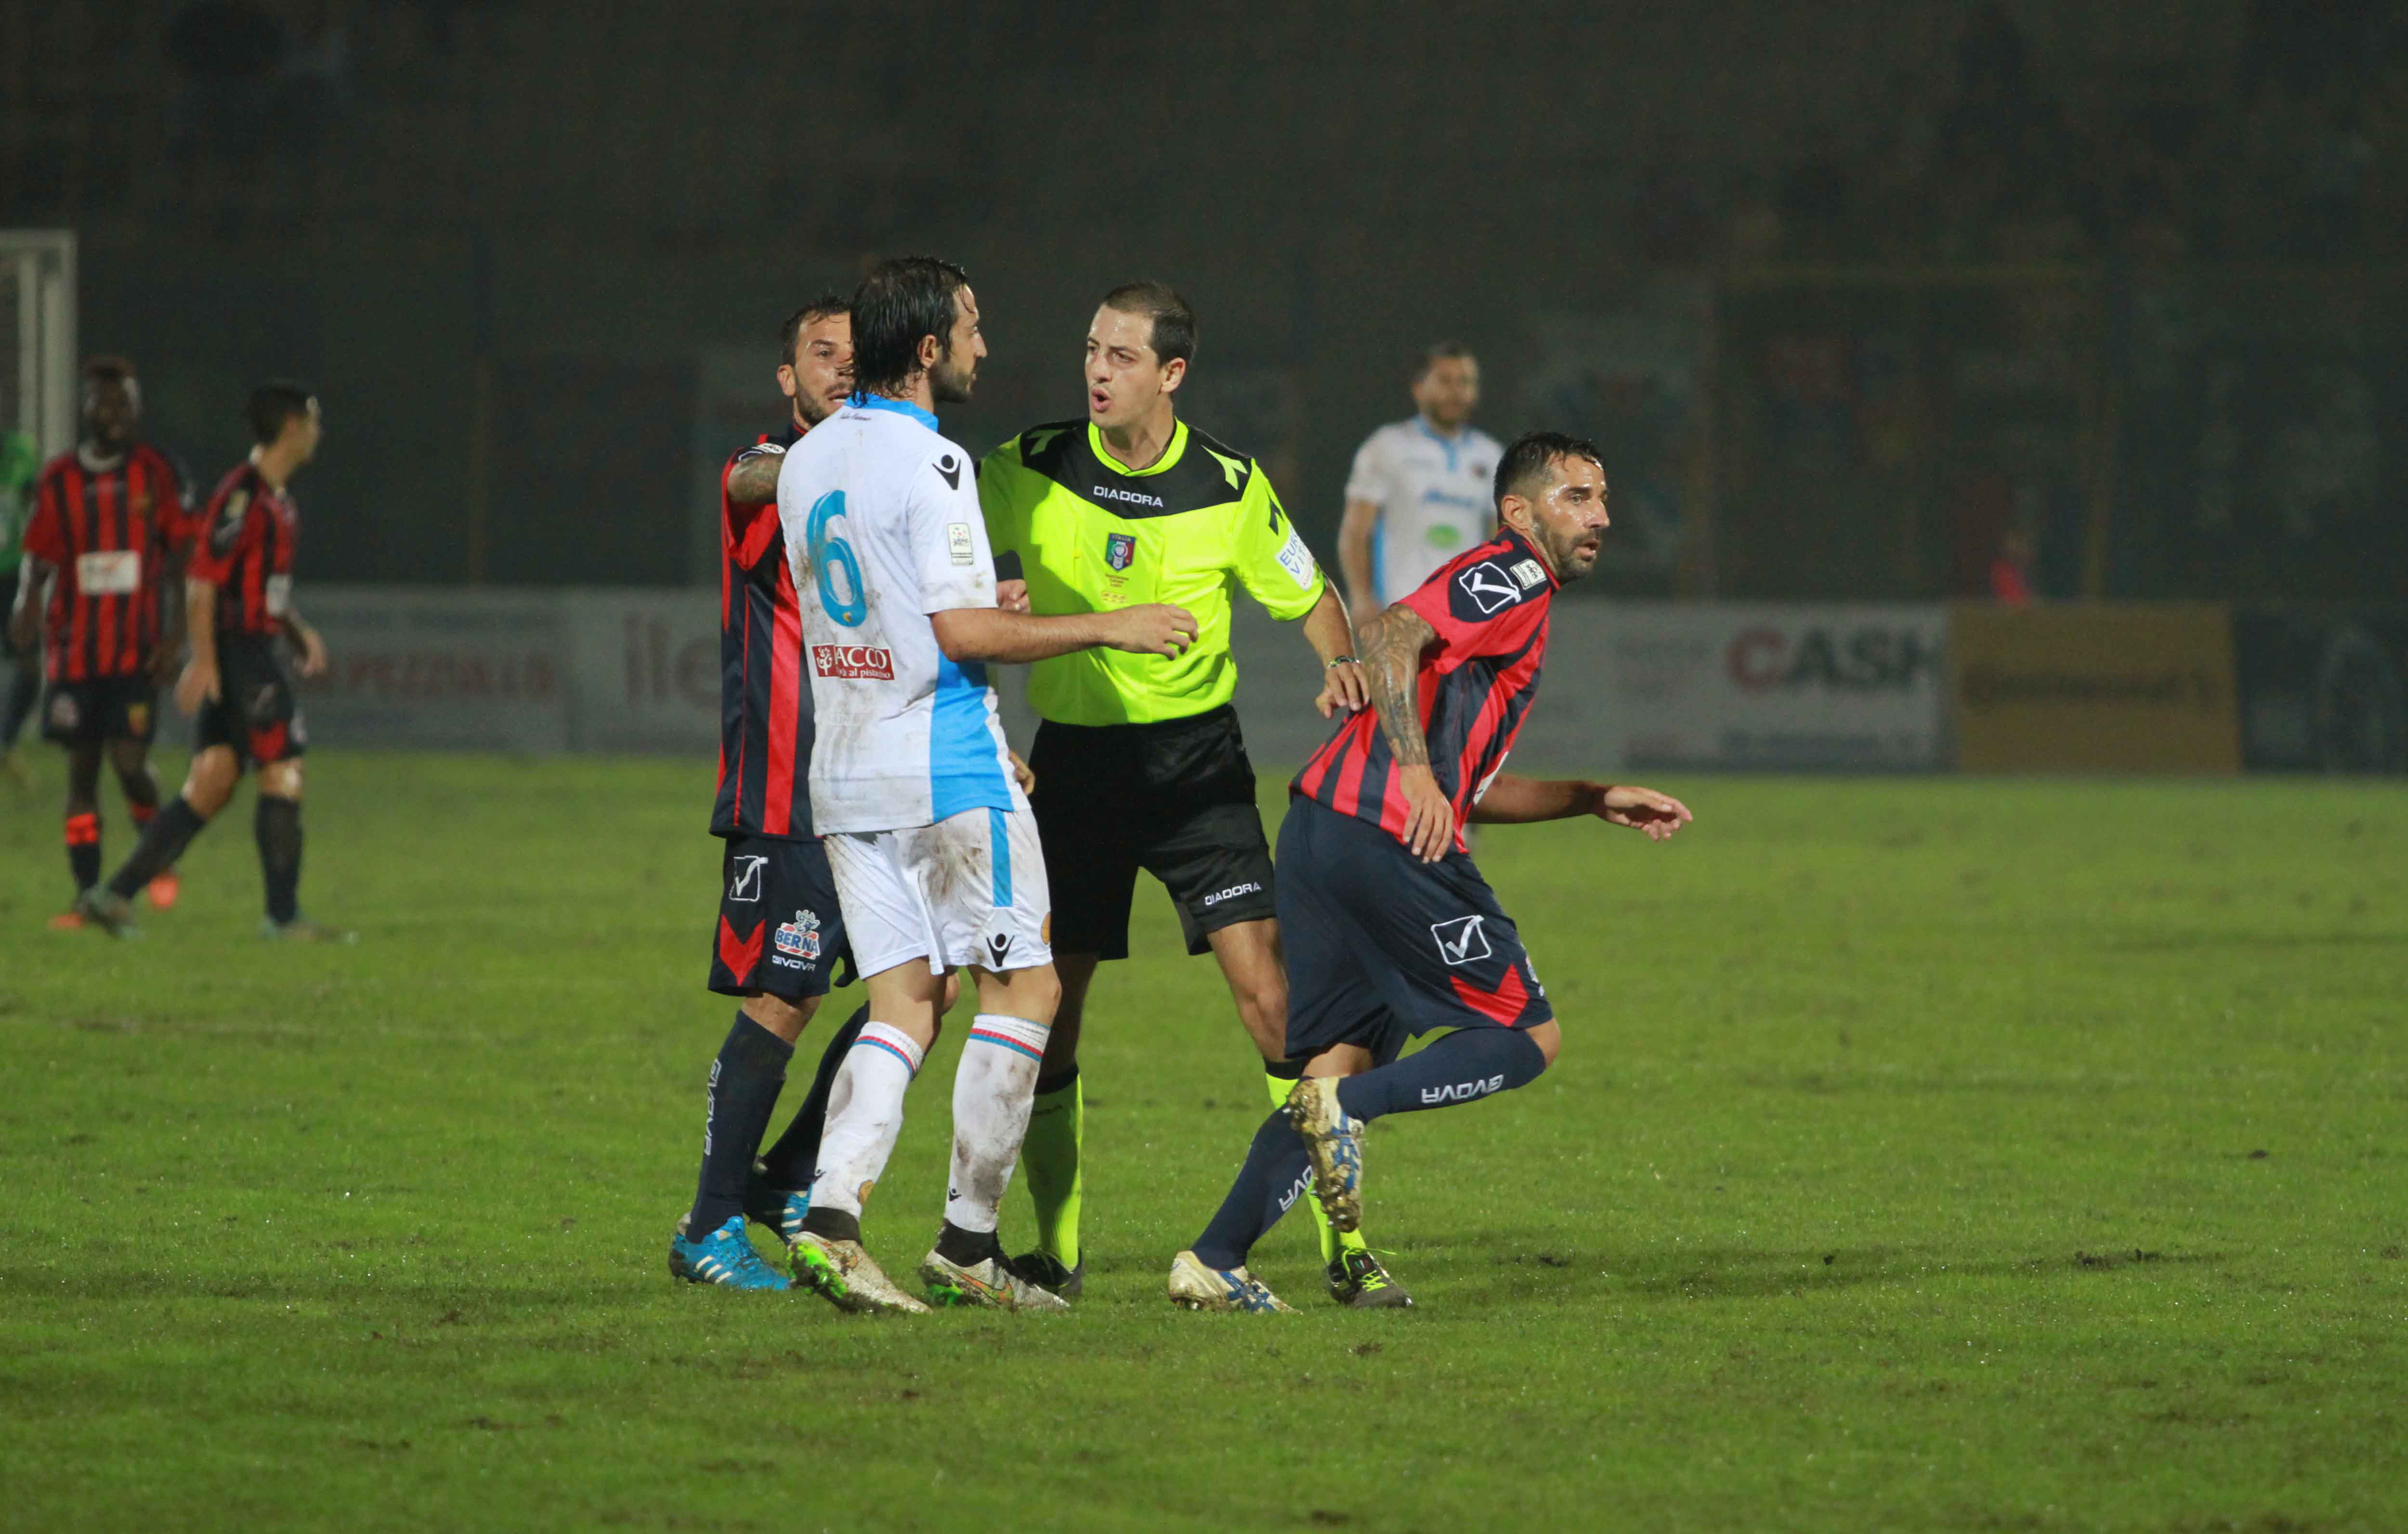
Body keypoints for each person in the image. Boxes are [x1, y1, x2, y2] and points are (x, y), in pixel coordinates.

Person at [1168, 431, 1694, 1312]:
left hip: (1323, 835)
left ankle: (1217, 1258)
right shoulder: (1512, 573)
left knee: (1332, 1069)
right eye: (1576, 498)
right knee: (1528, 1039)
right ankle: (1350, 1115)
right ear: (1519, 512)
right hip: (1386, 841)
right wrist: (1415, 774)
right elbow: (1394, 634)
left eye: (1603, 499)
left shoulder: (1522, 603)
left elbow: (1472, 787)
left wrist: (1592, 796)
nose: (1599, 516)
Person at [776, 255, 1198, 1313]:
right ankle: (968, 1246)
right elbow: (962, 632)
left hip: (847, 765)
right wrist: (1112, 621)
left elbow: (888, 605)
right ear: (925, 349)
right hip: (946, 762)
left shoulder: (807, 459)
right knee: (1031, 991)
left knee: (904, 1002)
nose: (983, 345)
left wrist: (978, 603)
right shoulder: (938, 465)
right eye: (970, 326)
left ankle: (829, 1220)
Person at [979, 282, 1403, 1306]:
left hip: (1196, 774)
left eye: (1121, 355)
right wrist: (995, 574)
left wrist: (1338, 660)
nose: (1096, 370)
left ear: (1171, 372)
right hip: (1071, 766)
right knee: (1052, 1013)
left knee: (1275, 1008)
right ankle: (1056, 1249)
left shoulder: (1227, 482)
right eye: (1089, 349)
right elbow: (955, 552)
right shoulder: (1028, 465)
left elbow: (1309, 593)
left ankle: (1343, 1242)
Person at [666, 296, 871, 1291]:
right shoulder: (762, 472)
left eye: (852, 355)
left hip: (874, 786)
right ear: (787, 379)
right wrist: (849, 460)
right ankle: (706, 1224)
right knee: (783, 996)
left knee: (935, 980)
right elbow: (751, 476)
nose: (838, 367)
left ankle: (785, 1172)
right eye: (818, 354)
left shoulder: (883, 485)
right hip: (784, 791)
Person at [77, 382, 343, 942]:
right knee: (283, 770)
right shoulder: (241, 496)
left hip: (254, 647)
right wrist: (204, 662)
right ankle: (283, 916)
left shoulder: (278, 499)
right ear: (292, 427)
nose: (320, 431)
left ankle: (113, 895)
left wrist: (296, 631)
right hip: (240, 653)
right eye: (314, 420)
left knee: (213, 782)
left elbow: (262, 586)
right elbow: (202, 582)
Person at [8, 358, 193, 922]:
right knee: (82, 772)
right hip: (74, 651)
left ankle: (152, 855)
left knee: (131, 762)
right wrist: (25, 604)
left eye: (124, 404)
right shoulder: (59, 478)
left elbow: (182, 558)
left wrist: (175, 636)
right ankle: (87, 892)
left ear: (138, 411)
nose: (113, 414)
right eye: (103, 403)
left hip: (135, 649)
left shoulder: (157, 473)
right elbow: (38, 560)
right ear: (85, 409)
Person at [1336, 343, 1504, 629]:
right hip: (1399, 616)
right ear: (1418, 388)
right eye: (1444, 381)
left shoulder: (1492, 456)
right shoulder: (1387, 447)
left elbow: (1499, 539)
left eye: (1465, 382)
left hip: (1467, 622)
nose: (1455, 392)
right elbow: (1355, 532)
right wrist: (1361, 598)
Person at [0, 425, 43, 787]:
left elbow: (38, 501)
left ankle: (5, 742)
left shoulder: (19, 454)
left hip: (10, 577)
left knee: (30, 668)